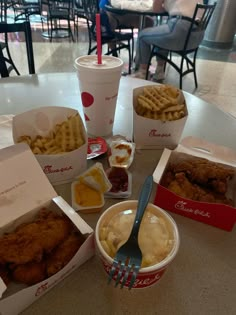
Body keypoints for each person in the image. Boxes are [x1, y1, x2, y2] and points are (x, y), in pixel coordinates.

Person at [134, 0, 204, 82]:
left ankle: (143, 72)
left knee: (142, 35)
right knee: (162, 38)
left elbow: (156, 9)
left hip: (180, 31)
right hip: (197, 36)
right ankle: (159, 72)